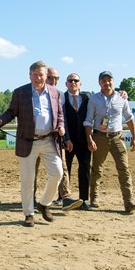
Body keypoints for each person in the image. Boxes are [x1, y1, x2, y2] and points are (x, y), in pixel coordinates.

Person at [0, 61, 64, 227]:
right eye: (35, 74)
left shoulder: (55, 93)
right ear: (29, 75)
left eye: (41, 75)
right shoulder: (20, 92)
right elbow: (11, 112)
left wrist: (61, 126)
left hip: (49, 140)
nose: (38, 78)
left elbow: (59, 114)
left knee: (57, 173)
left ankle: (44, 203)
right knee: (28, 180)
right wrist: (0, 121)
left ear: (47, 76)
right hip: (27, 141)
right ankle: (29, 214)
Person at [83, 71, 135, 213]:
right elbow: (88, 120)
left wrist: (134, 137)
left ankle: (128, 202)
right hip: (99, 137)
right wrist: (89, 138)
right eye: (104, 80)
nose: (107, 83)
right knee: (97, 169)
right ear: (99, 83)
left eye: (109, 80)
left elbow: (129, 118)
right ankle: (94, 199)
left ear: (113, 82)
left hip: (117, 138)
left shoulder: (121, 98)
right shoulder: (94, 99)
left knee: (124, 169)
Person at [34, 67, 83, 212]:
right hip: (34, 139)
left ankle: (66, 198)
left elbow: (64, 119)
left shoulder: (60, 95)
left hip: (55, 139)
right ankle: (30, 198)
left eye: (56, 78)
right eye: (50, 78)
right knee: (32, 170)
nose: (53, 81)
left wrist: (66, 138)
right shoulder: (32, 93)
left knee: (62, 168)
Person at [63, 73, 92, 210]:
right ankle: (63, 197)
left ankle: (84, 199)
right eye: (70, 80)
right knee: (64, 169)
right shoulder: (61, 98)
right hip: (67, 141)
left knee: (85, 169)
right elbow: (62, 121)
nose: (73, 82)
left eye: (76, 80)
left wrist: (121, 93)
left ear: (80, 83)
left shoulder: (88, 97)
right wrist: (66, 138)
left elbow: (105, 96)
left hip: (83, 141)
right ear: (66, 83)